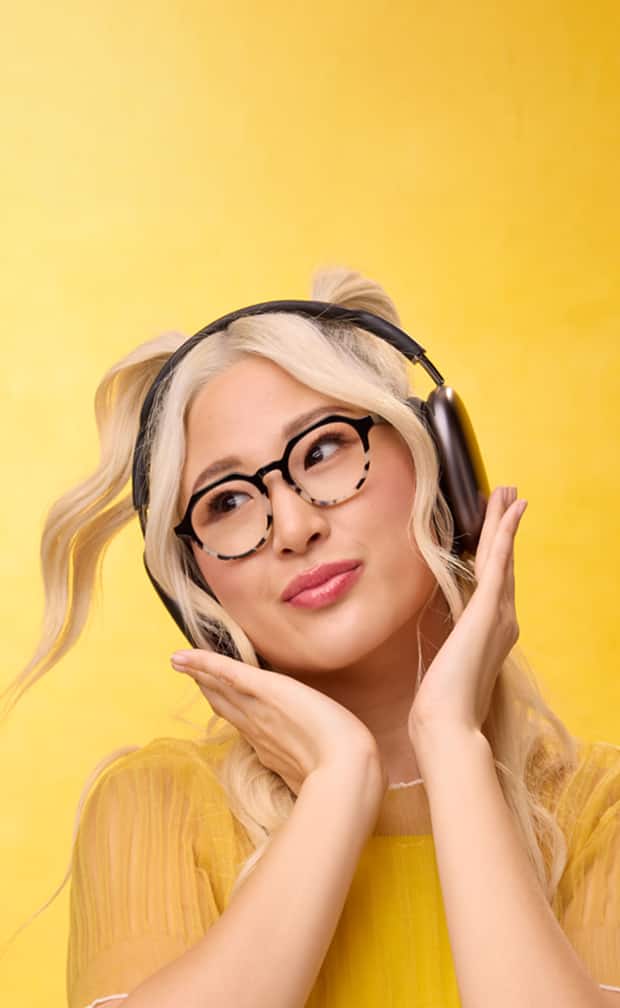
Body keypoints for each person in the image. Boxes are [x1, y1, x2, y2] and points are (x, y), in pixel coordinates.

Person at [2, 266, 619, 1007]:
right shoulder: (157, 807)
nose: (293, 527)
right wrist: (336, 785)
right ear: (194, 587)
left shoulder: (598, 816)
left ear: (444, 469)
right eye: (226, 500)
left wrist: (450, 743)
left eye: (324, 451)